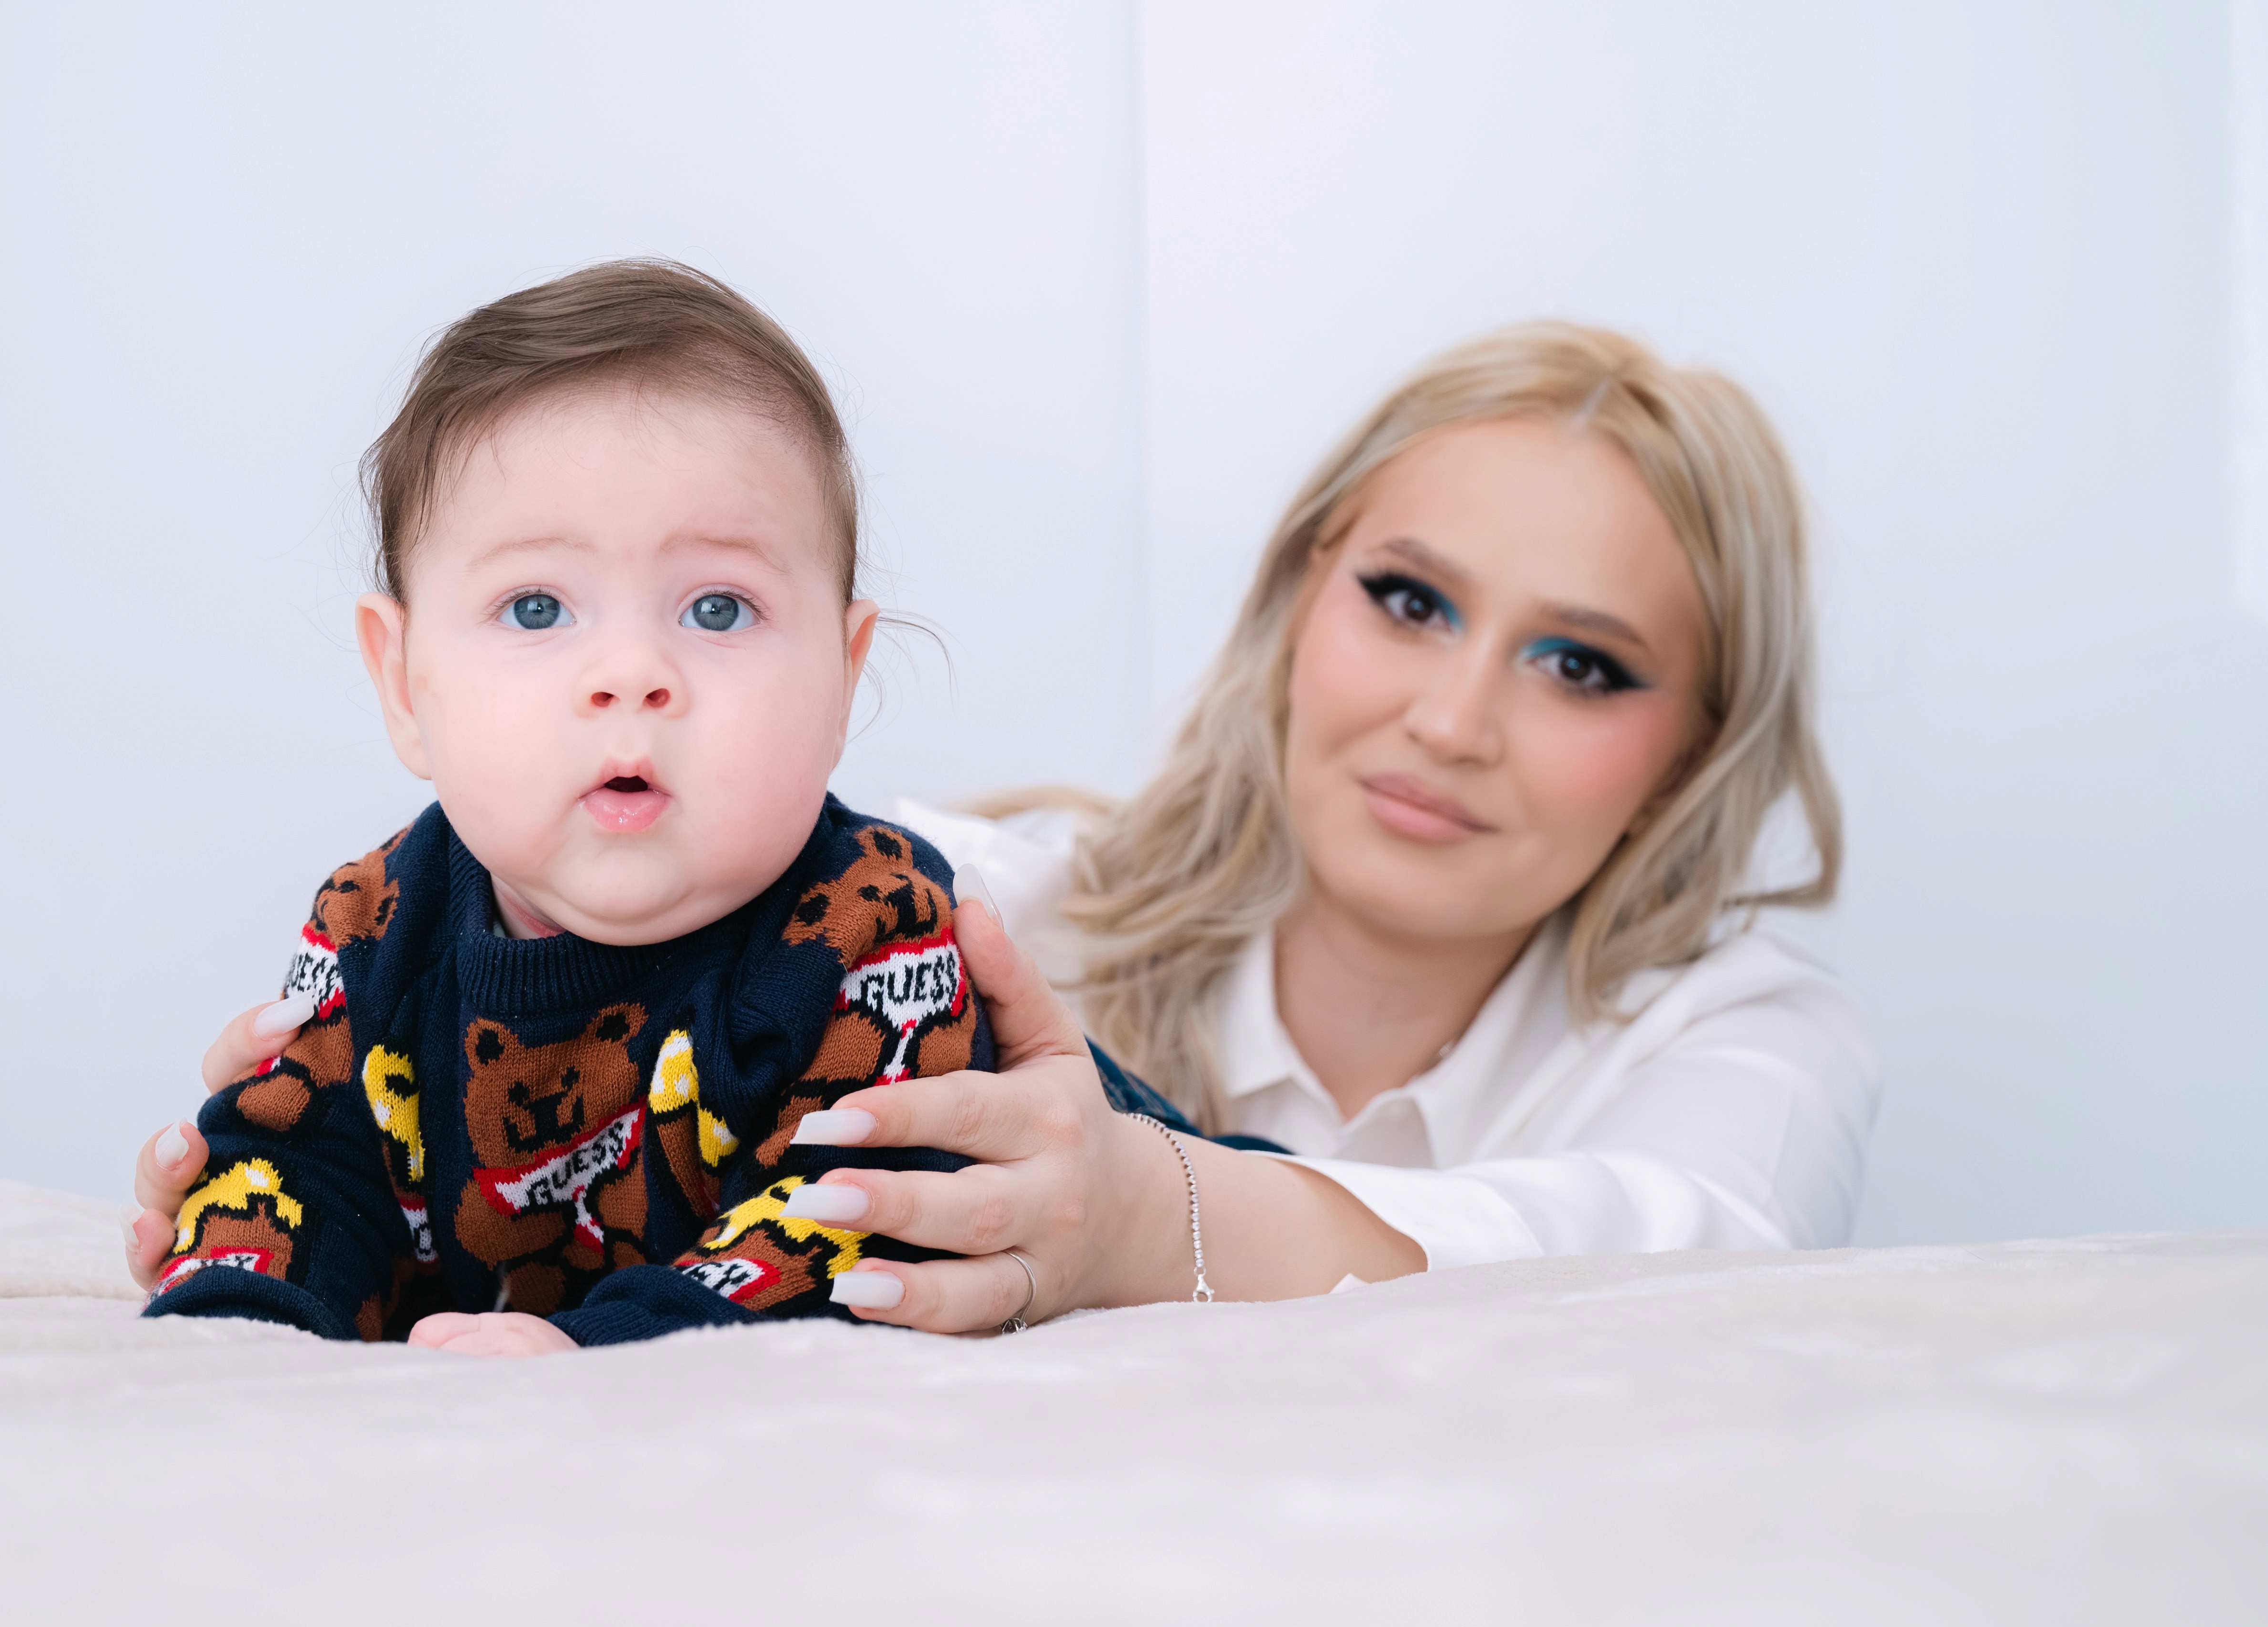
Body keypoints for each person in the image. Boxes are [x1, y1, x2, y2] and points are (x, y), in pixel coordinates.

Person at [133, 320, 1876, 1337]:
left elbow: (1699, 1275)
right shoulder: (991, 904)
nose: (1453, 715)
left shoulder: (1744, 1040)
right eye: (1411, 601)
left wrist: (1151, 1220)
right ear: (1294, 601)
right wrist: (323, 1178)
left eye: (1584, 664)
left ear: (1697, 750)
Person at [138, 258, 1038, 1354]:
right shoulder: (375, 926)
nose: (628, 673)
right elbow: (293, 1173)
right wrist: (241, 1309)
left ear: (840, 682)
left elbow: (858, 1227)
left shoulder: (870, 930)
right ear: (403, 682)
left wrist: (597, 1349)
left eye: (717, 607)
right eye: (534, 607)